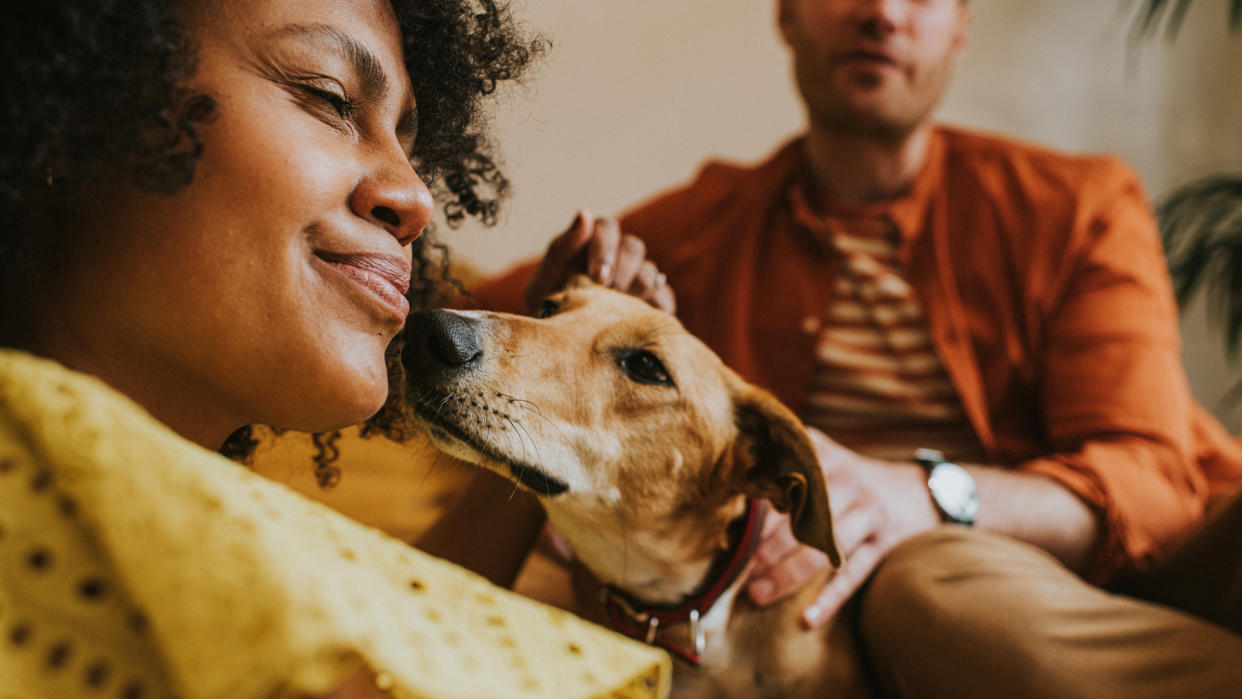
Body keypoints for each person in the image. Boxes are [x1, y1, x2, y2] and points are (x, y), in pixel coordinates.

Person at [471, 0, 1242, 695]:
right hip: (821, 606)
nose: (881, 13)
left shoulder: (1077, 207)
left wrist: (923, 496)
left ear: (961, 29)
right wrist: (555, 296)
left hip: (1066, 570)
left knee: (926, 583)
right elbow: (454, 321)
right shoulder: (702, 233)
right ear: (788, 16)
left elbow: (1153, 482)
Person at [0, 2, 670, 698]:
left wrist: (534, 408)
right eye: (328, 98)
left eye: (409, 145)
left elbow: (388, 646)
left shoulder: (156, 565)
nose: (414, 197)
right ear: (81, 98)